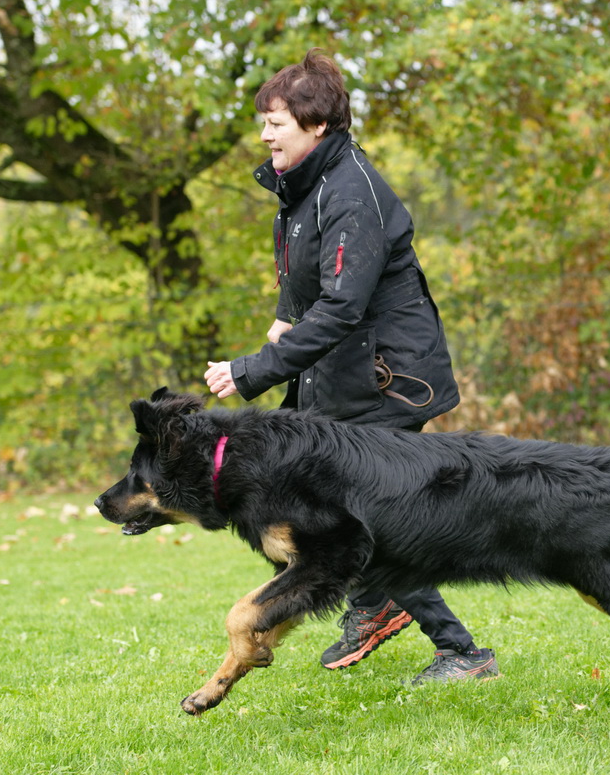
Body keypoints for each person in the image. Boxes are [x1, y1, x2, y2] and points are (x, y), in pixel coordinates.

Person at [203, 49, 498, 684]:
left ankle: (459, 651)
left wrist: (255, 370)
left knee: (361, 522)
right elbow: (300, 289)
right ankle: (369, 606)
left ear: (315, 125)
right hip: (341, 376)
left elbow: (340, 308)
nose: (264, 135)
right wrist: (266, 351)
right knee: (332, 515)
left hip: (387, 381)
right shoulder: (305, 187)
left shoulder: (352, 192)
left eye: (275, 122)